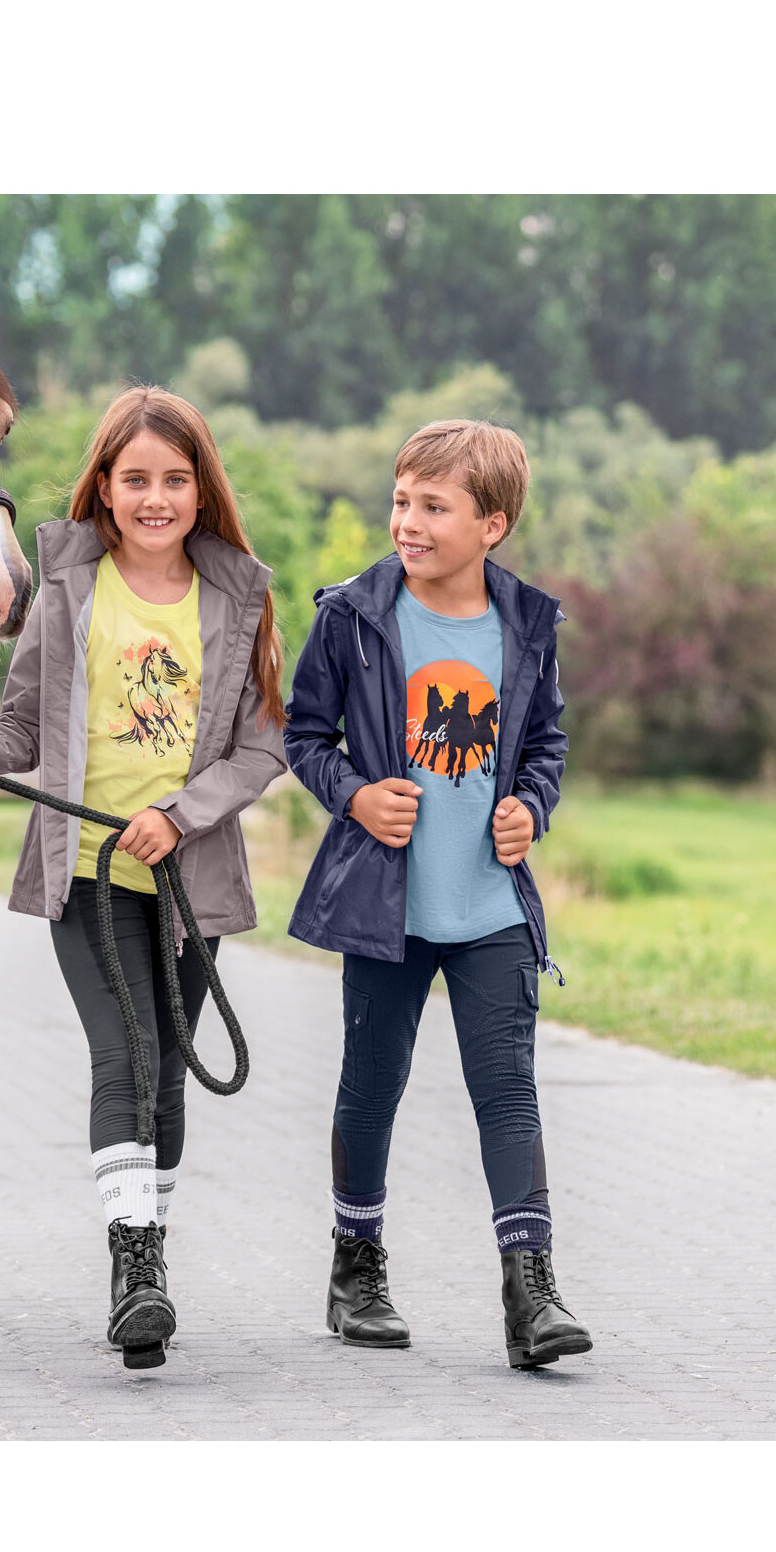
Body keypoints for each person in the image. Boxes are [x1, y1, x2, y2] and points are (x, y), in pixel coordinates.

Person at [0, 387, 287, 1370]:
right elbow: (20, 729)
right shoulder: (68, 588)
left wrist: (178, 815)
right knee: (130, 1057)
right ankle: (135, 1269)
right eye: (135, 478)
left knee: (171, 1085)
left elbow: (260, 746)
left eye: (174, 480)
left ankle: (146, 1259)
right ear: (103, 486)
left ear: (201, 492)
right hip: (88, 870)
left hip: (190, 879)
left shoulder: (238, 594)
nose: (154, 498)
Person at [283, 419, 592, 1369]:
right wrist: (357, 796)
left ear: (491, 524)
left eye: (432, 507)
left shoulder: (526, 627)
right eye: (400, 501)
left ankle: (530, 1295)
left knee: (508, 1095)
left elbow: (545, 743)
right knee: (372, 1089)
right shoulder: (353, 615)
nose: (405, 523)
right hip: (389, 906)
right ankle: (356, 1268)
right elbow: (303, 735)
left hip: (491, 906)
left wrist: (531, 810)